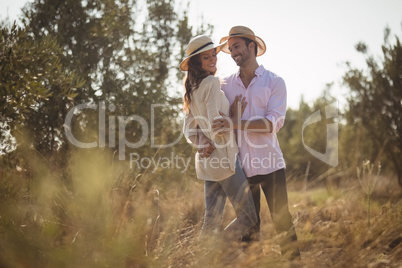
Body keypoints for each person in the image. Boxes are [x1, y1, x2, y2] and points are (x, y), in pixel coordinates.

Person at [200, 26, 301, 259]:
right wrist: (201, 138)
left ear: (251, 46)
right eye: (230, 48)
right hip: (242, 170)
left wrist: (235, 123)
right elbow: (204, 107)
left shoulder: (275, 82)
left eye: (237, 46)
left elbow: (272, 124)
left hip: (271, 166)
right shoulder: (224, 85)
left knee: (283, 222)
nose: (233, 52)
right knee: (249, 230)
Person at [180, 35, 257, 244]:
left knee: (211, 221)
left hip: (207, 161)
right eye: (207, 58)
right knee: (249, 217)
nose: (213, 60)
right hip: (224, 158)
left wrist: (202, 144)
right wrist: (234, 116)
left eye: (214, 55)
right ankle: (215, 250)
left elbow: (189, 129)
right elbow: (217, 125)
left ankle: (202, 260)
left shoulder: (191, 89)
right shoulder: (212, 83)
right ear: (198, 63)